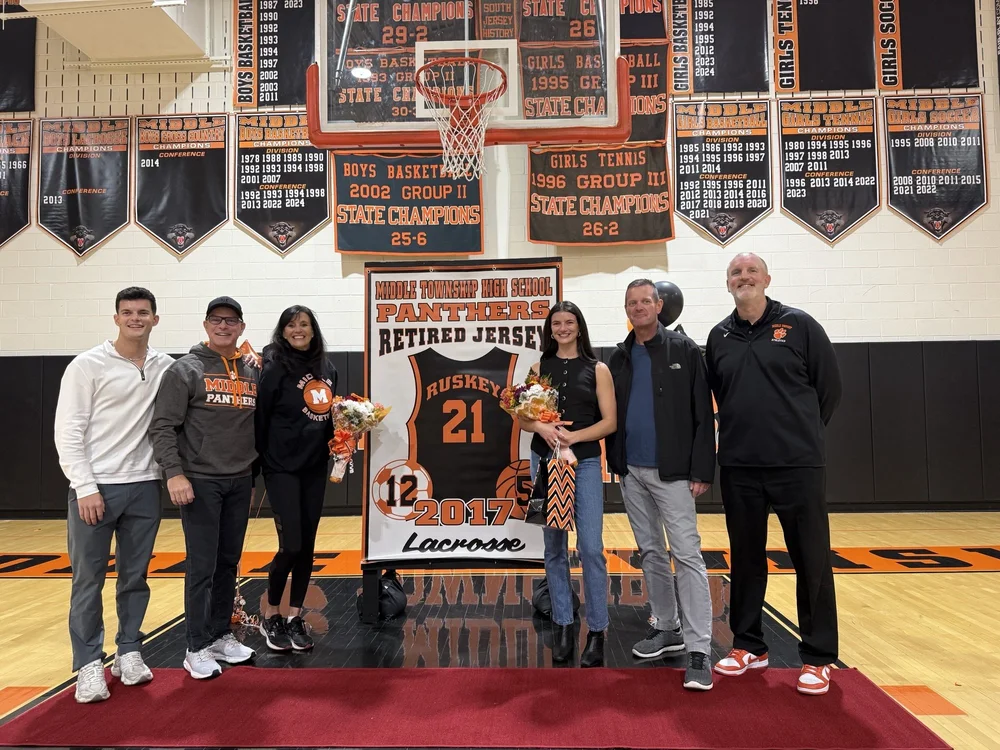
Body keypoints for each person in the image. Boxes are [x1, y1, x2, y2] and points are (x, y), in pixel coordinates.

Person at [705, 253, 842, 696]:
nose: (743, 278)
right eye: (735, 274)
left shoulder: (800, 325)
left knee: (812, 559)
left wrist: (796, 433)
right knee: (744, 559)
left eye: (750, 272)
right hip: (740, 466)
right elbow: (720, 396)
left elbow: (829, 389)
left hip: (797, 465)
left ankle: (819, 657)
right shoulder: (719, 335)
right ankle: (749, 645)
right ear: (727, 284)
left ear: (766, 279)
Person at [54, 287, 171, 703]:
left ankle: (129, 651)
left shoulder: (166, 367)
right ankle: (88, 663)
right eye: (127, 312)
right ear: (116, 318)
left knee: (135, 577)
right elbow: (68, 431)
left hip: (144, 486)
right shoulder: (87, 365)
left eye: (143, 313)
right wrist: (84, 485)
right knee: (88, 581)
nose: (135, 319)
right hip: (95, 489)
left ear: (155, 319)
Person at [605, 279, 716, 691]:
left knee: (687, 555)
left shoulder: (684, 349)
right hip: (631, 471)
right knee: (651, 552)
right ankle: (666, 627)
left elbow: (703, 412)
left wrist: (702, 469)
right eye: (632, 302)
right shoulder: (619, 356)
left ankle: (699, 647)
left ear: (659, 305)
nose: (639, 307)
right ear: (627, 308)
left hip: (675, 474)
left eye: (645, 301)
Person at [149, 296, 259, 680]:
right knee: (202, 566)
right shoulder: (185, 370)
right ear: (206, 324)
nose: (224, 326)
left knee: (229, 563)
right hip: (199, 481)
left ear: (241, 327)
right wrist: (174, 474)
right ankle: (195, 646)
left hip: (239, 479)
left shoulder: (250, 371)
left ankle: (220, 636)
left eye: (231, 321)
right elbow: (163, 425)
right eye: (217, 320)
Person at [518, 301, 617, 667]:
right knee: (554, 546)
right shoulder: (536, 367)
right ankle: (562, 623)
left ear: (579, 327)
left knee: (591, 548)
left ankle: (597, 631)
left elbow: (609, 422)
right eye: (556, 323)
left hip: (585, 463)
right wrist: (542, 428)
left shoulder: (598, 369)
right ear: (550, 328)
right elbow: (524, 417)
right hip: (545, 463)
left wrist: (573, 439)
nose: (562, 328)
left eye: (569, 322)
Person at [255, 306, 337, 652]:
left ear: (313, 330)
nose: (298, 330)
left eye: (304, 324)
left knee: (307, 547)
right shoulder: (274, 368)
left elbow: (331, 416)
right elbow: (261, 418)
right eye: (291, 325)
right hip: (282, 467)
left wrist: (345, 440)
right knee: (290, 544)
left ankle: (294, 616)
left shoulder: (327, 368)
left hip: (314, 466)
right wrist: (264, 462)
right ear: (283, 331)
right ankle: (270, 614)